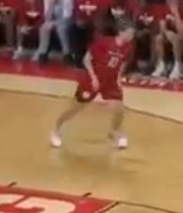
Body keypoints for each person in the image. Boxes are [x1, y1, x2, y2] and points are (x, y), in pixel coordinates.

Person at [51, 21, 135, 149]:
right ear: (121, 32)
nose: (131, 36)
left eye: (132, 34)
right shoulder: (104, 42)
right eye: (129, 33)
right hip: (92, 79)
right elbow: (86, 59)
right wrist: (93, 77)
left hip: (110, 81)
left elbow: (123, 63)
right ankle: (57, 130)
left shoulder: (128, 48)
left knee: (119, 109)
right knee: (76, 108)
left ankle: (115, 131)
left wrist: (118, 77)